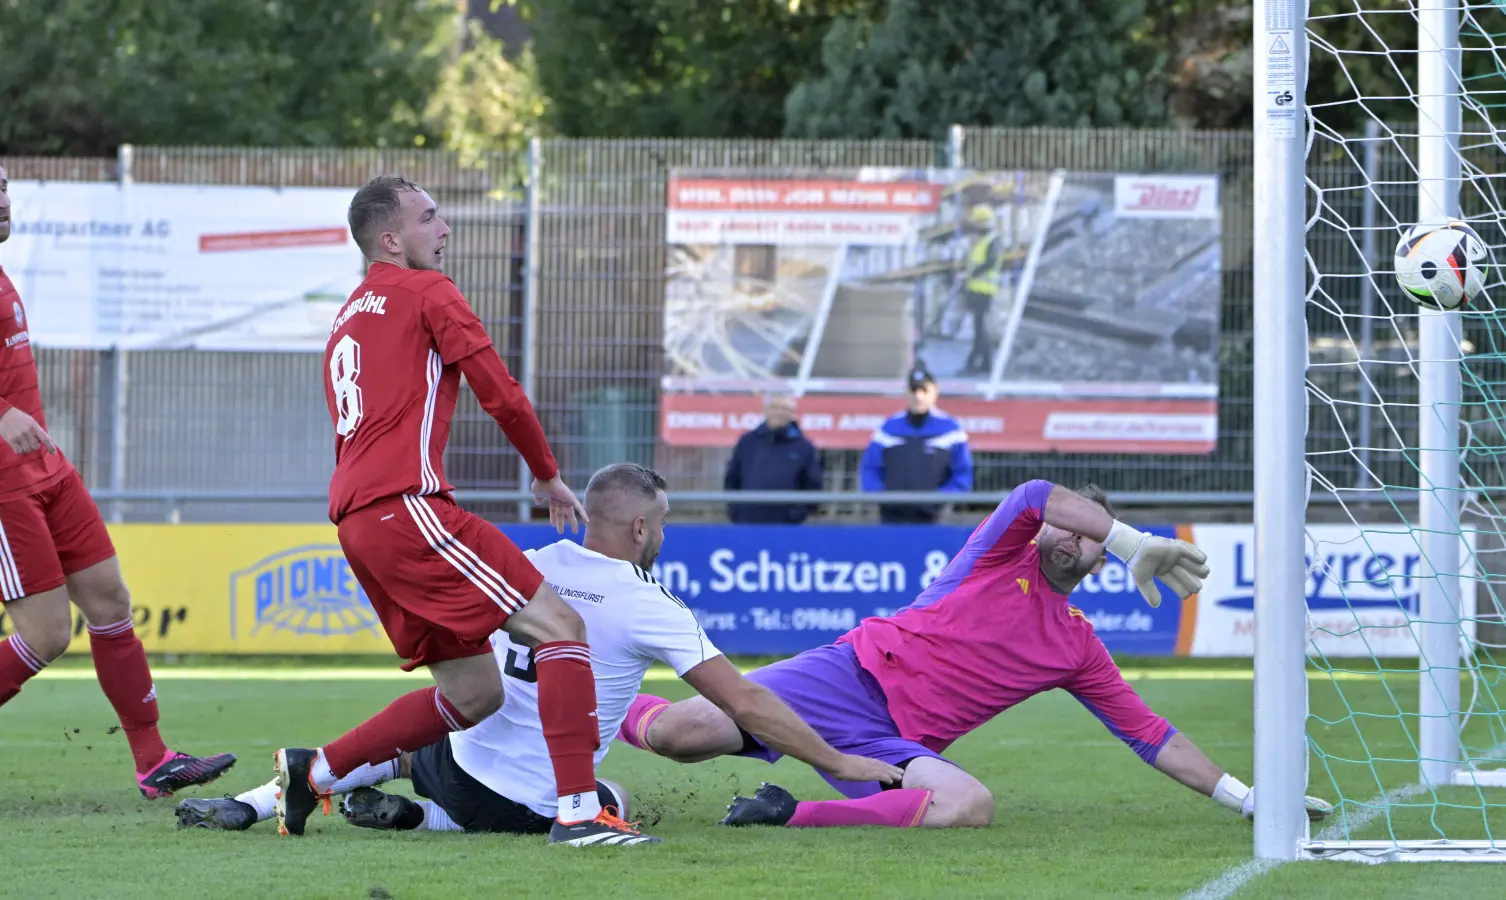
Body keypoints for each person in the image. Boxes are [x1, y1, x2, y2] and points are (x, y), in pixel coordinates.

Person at [176, 464, 899, 837]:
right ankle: (427, 822)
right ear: (642, 529)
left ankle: (260, 799)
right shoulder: (648, 602)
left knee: (436, 726)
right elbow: (742, 701)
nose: (667, 535)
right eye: (665, 524)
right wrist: (836, 761)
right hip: (529, 794)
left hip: (450, 757)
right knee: (618, 799)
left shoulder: (528, 563)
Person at [272, 175, 650, 846]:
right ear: (391, 239)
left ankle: (316, 772)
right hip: (408, 508)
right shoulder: (427, 291)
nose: (443, 229)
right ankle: (576, 813)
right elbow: (499, 390)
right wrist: (547, 474)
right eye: (429, 217)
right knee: (561, 628)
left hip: (359, 523)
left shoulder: (349, 313)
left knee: (475, 695)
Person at [618, 480, 1329, 829]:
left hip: (893, 742)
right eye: (1071, 525)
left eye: (1087, 540)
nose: (1068, 539)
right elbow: (1030, 493)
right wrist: (1129, 538)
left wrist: (1249, 800)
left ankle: (782, 813)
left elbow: (1151, 736)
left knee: (969, 807)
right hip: (843, 678)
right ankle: (600, 703)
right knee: (676, 738)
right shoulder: (996, 556)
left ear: (1095, 563)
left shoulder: (1077, 647)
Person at [0, 164, 236, 798]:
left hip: (48, 467)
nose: (2, 202)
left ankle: (154, 761)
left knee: (109, 601)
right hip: (4, 487)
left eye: (1, 187)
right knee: (47, 634)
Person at [859, 368, 972, 524]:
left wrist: (941, 499)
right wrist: (881, 497)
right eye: (914, 390)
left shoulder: (951, 429)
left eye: (925, 390)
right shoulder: (888, 428)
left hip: (935, 519)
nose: (919, 396)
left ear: (935, 392)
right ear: (906, 392)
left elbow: (962, 472)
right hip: (891, 518)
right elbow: (870, 467)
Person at [724, 390, 822, 525]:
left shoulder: (804, 447)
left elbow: (813, 486)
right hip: (746, 522)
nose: (779, 413)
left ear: (792, 413)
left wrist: (795, 516)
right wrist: (736, 511)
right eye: (775, 407)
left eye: (785, 409)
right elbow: (732, 479)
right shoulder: (747, 442)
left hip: (786, 528)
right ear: (765, 410)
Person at [959, 206, 1001, 376]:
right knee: (979, 327)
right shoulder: (980, 241)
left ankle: (972, 363)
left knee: (980, 328)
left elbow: (990, 262)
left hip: (984, 290)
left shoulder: (993, 240)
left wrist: (970, 274)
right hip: (975, 288)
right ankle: (986, 364)